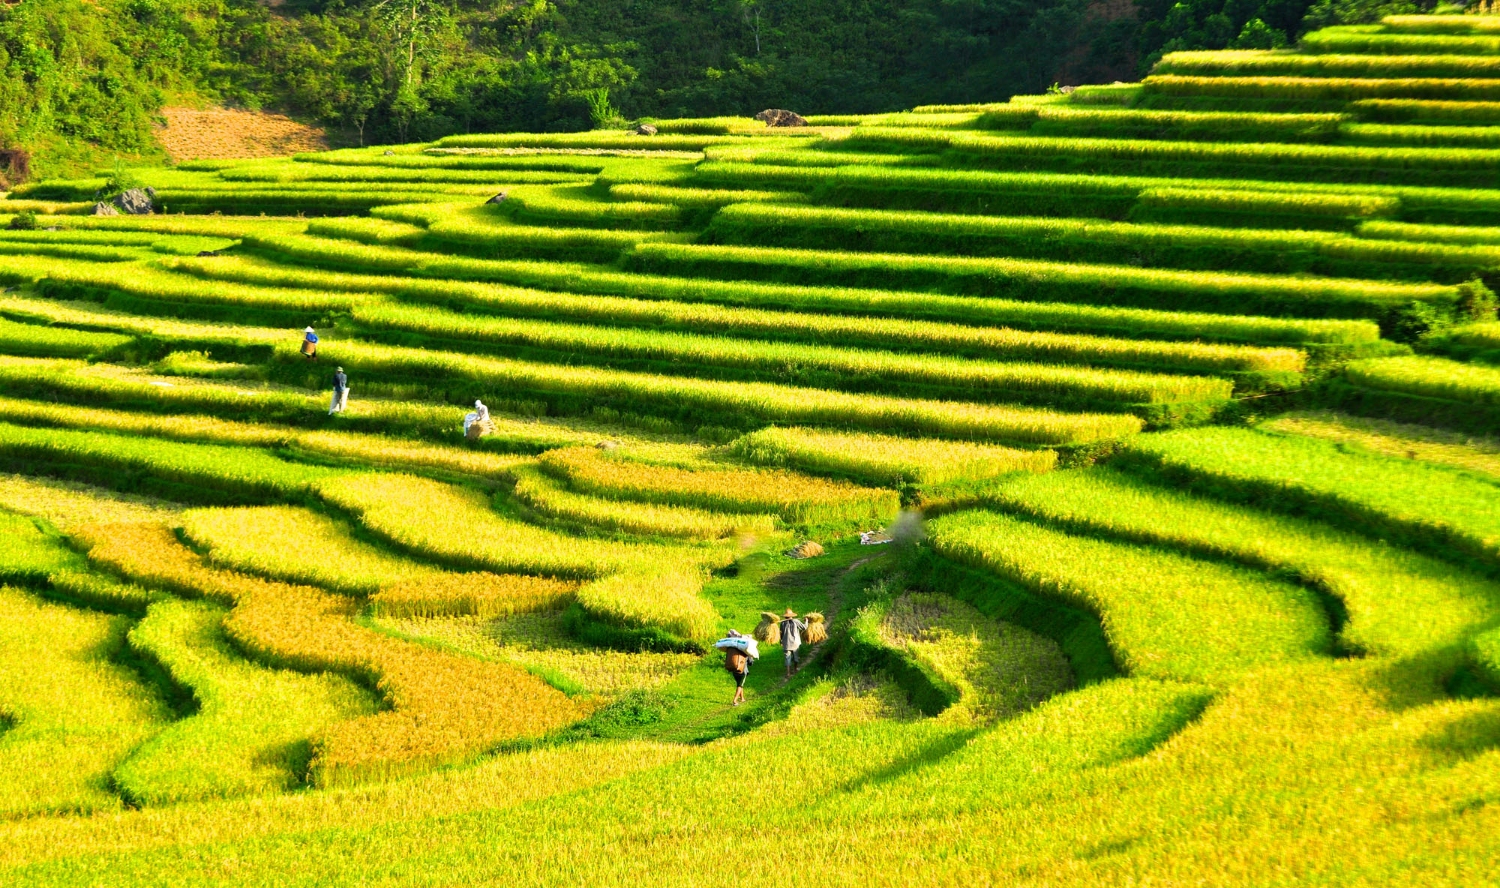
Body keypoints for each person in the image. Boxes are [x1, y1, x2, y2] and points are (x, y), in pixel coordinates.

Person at [779, 608, 809, 679]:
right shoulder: (796, 621)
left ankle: (788, 673)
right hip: (795, 643)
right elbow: (804, 627)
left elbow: (781, 633)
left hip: (786, 643)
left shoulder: (782, 623)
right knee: (796, 656)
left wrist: (780, 641)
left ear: (785, 616)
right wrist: (806, 621)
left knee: (787, 658)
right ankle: (795, 669)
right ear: (792, 615)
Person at [724, 629, 751, 706]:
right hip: (742, 670)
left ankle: (742, 698)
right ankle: (735, 700)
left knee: (739, 683)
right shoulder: (745, 650)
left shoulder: (732, 648)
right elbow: (750, 662)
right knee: (740, 685)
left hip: (733, 670)